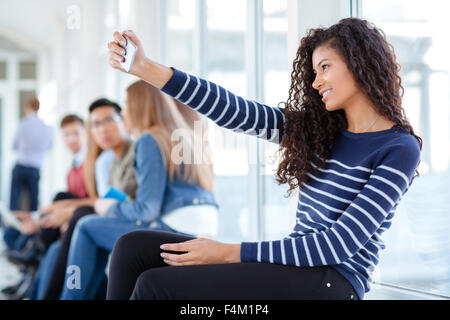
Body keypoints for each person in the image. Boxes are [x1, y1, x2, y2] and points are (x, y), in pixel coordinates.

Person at [105, 18, 422, 301]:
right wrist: (145, 68)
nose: (315, 82)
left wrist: (229, 253)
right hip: (295, 267)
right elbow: (232, 111)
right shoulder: (318, 130)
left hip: (334, 282)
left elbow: (337, 245)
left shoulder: (399, 148)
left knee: (156, 285)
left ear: (359, 63)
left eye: (325, 67)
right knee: (131, 249)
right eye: (313, 72)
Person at [58, 80, 218, 300]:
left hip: (176, 227)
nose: (123, 112)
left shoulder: (149, 139)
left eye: (126, 104)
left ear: (140, 105)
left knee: (86, 226)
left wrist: (110, 206)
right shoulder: (184, 134)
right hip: (206, 226)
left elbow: (146, 210)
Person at [40, 98, 137, 300]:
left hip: (129, 219)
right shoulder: (109, 159)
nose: (103, 129)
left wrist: (70, 209)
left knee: (81, 221)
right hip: (113, 216)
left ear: (124, 121)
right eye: (97, 124)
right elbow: (110, 198)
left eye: (110, 120)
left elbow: (123, 200)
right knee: (65, 238)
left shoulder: (134, 152)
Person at [2, 114, 89, 300]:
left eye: (76, 133)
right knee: (37, 220)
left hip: (75, 221)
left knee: (56, 204)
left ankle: (31, 258)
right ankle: (26, 279)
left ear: (86, 133)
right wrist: (34, 216)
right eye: (66, 135)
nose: (71, 139)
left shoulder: (89, 164)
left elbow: (85, 202)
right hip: (68, 219)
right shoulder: (73, 168)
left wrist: (42, 221)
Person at [3, 96, 53, 253]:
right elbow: (49, 147)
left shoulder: (23, 124)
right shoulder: (46, 127)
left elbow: (14, 145)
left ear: (28, 108)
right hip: (35, 168)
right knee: (32, 206)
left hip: (21, 166)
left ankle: (11, 241)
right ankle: (27, 242)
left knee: (14, 205)